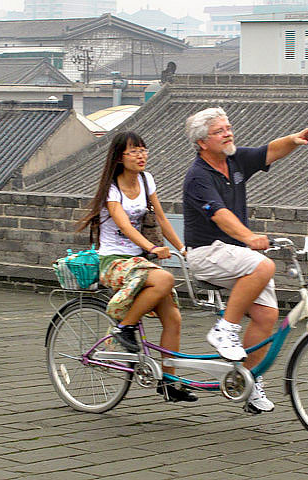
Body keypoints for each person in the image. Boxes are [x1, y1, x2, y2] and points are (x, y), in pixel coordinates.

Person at [182, 107, 308, 413]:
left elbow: (267, 152)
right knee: (263, 265)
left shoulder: (234, 160)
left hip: (235, 255)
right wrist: (248, 237)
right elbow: (220, 215)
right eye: (220, 131)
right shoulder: (197, 177)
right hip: (206, 252)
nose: (228, 134)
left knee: (267, 317)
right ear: (203, 142)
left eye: (229, 128)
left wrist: (295, 139)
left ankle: (247, 380)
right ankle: (224, 329)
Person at [77, 131, 196, 403]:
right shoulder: (112, 187)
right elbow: (124, 225)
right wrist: (154, 248)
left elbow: (163, 219)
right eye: (134, 151)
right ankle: (125, 327)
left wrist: (183, 249)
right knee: (164, 279)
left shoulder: (146, 179)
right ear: (120, 157)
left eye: (143, 150)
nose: (141, 156)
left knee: (174, 319)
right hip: (113, 261)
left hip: (138, 261)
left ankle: (169, 381)